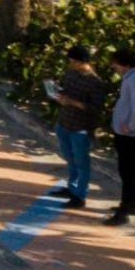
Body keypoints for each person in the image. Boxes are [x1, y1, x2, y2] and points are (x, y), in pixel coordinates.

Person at [48, 45, 108, 209]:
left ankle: (80, 195)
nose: (71, 64)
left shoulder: (95, 83)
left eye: (74, 62)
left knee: (82, 162)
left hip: (81, 127)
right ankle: (72, 187)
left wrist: (73, 102)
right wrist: (57, 94)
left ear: (83, 62)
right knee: (70, 158)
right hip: (64, 121)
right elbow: (65, 90)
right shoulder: (71, 74)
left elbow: (95, 108)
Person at [107, 48, 135, 225]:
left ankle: (125, 209)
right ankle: (132, 202)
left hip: (129, 133)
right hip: (126, 130)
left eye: (116, 63)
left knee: (127, 169)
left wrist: (130, 126)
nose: (114, 66)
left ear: (125, 64)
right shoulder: (130, 78)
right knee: (130, 169)